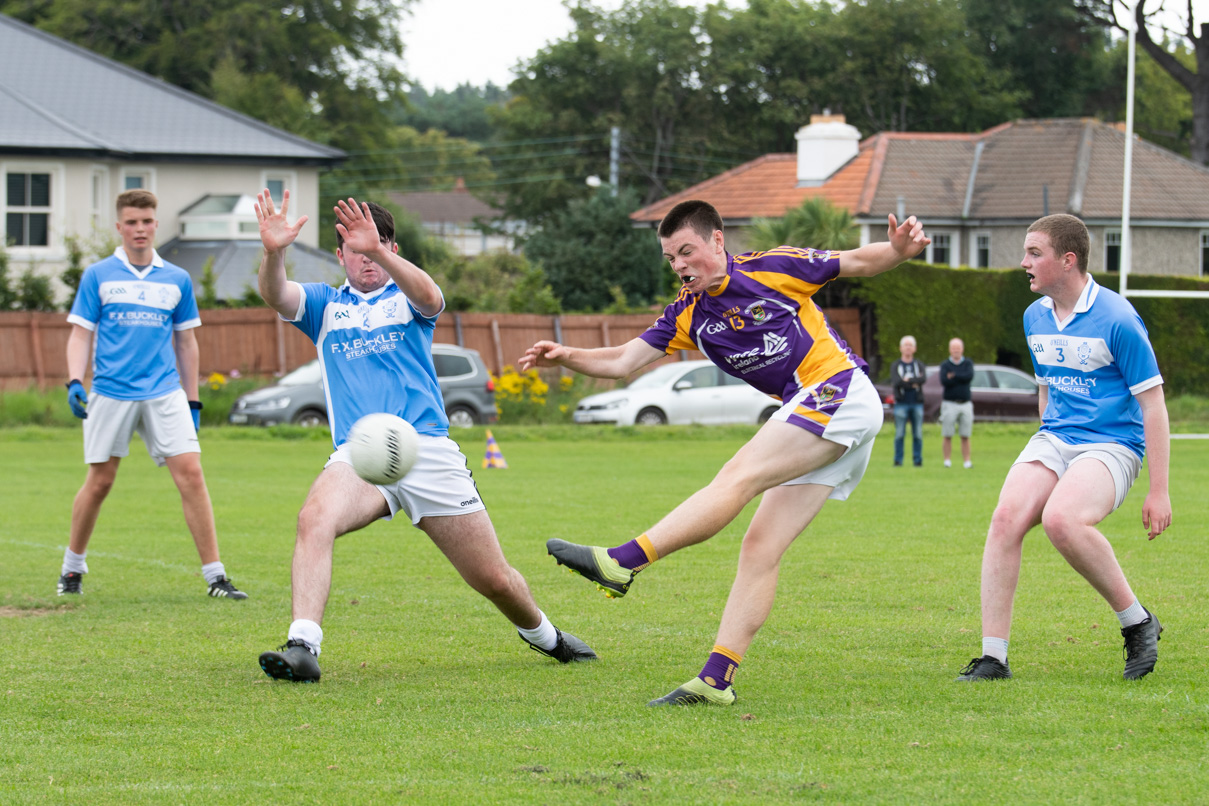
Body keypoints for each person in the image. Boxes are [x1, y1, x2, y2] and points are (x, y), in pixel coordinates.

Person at [519, 199, 930, 706]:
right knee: (760, 547)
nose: (679, 266)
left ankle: (623, 561)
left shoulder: (772, 268)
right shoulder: (689, 313)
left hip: (836, 389)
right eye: (670, 258)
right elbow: (625, 360)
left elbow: (858, 261)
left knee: (737, 476)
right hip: (824, 416)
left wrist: (897, 251)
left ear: (717, 241)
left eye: (686, 251)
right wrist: (567, 356)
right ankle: (717, 680)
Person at [253, 190, 595, 683]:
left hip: (427, 451)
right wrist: (273, 252)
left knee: (494, 580)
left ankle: (546, 636)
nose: (366, 257)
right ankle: (303, 645)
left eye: (379, 244)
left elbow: (432, 297)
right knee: (314, 518)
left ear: (391, 247)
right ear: (339, 255)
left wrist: (379, 251)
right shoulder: (325, 306)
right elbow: (275, 293)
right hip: (359, 454)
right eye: (355, 248)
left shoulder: (406, 297)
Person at [957, 214, 1170, 682]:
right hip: (1056, 437)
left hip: (1115, 445)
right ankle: (994, 658)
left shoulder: (1117, 318)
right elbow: (1046, 389)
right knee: (1005, 517)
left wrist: (1159, 491)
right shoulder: (1035, 315)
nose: (1023, 262)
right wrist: (1048, 443)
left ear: (1067, 260)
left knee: (1061, 519)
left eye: (1035, 253)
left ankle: (1137, 622)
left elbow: (1154, 407)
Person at [60, 189, 246, 599]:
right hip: (110, 392)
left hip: (165, 393)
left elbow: (187, 344)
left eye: (146, 221)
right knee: (100, 482)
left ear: (156, 224)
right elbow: (80, 335)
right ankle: (72, 568)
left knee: (192, 476)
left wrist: (193, 400)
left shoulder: (176, 279)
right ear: (119, 226)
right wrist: (76, 380)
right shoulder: (98, 275)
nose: (139, 229)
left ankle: (216, 577)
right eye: (131, 222)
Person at [889, 335, 926, 467]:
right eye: (906, 345)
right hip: (901, 403)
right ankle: (898, 460)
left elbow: (922, 380)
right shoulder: (896, 365)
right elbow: (896, 381)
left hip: (917, 403)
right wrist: (912, 383)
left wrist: (907, 381)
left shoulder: (919, 365)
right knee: (899, 433)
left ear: (914, 348)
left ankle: (918, 460)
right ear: (901, 348)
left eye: (910, 345)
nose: (908, 348)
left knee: (918, 434)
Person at [939, 337, 974, 468]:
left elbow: (968, 376)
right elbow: (944, 381)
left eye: (958, 348)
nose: (956, 350)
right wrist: (960, 376)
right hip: (949, 403)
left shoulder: (968, 363)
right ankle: (947, 461)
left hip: (965, 403)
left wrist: (954, 375)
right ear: (950, 350)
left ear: (962, 349)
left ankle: (967, 461)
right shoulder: (945, 365)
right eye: (954, 348)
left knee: (965, 434)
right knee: (947, 434)